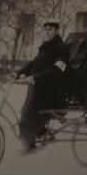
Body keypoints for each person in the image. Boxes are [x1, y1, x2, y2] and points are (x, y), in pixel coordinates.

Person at [14, 20, 70, 154]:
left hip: (52, 90)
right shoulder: (45, 46)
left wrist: (36, 78)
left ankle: (30, 144)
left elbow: (58, 68)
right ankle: (42, 134)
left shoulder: (61, 47)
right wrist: (18, 73)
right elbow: (34, 63)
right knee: (26, 111)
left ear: (57, 30)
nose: (47, 32)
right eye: (46, 29)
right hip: (39, 87)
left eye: (51, 29)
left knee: (28, 112)